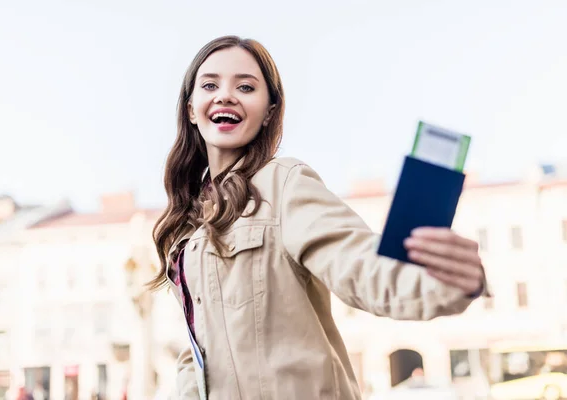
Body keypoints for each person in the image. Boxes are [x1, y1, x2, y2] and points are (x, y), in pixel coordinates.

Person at [149, 35, 488, 399]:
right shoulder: (188, 227)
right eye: (210, 84)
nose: (226, 95)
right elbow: (198, 355)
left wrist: (446, 280)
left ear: (268, 112)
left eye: (245, 86)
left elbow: (358, 264)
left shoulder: (284, 183)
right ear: (190, 108)